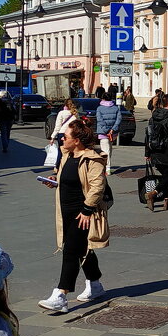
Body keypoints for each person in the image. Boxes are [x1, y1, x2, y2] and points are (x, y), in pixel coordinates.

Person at [39, 120, 110, 312]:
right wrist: (54, 181)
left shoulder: (92, 159)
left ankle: (60, 295)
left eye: (66, 137)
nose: (62, 139)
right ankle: (95, 285)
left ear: (77, 140)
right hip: (65, 210)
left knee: (70, 250)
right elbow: (68, 179)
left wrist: (87, 210)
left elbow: (97, 186)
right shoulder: (66, 155)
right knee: (82, 249)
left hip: (83, 213)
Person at [95, 93, 121, 176]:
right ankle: (107, 167)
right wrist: (113, 129)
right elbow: (119, 119)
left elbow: (100, 120)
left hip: (103, 133)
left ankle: (107, 168)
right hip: (113, 133)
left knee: (105, 151)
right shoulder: (115, 108)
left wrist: (106, 130)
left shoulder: (99, 108)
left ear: (103, 99)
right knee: (109, 149)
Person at [49, 98, 79, 170]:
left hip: (62, 134)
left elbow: (57, 126)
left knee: (61, 151)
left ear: (65, 105)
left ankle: (58, 167)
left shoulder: (61, 113)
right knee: (71, 151)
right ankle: (70, 167)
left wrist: (52, 137)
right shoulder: (75, 113)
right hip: (72, 134)